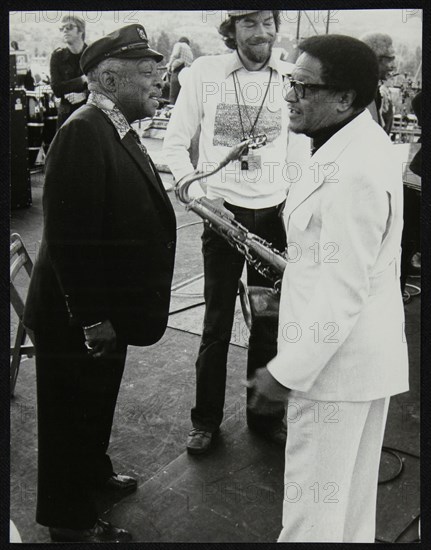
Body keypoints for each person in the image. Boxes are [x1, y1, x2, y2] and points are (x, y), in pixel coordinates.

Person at [249, 35, 409, 542]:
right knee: (347, 514)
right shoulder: (353, 142)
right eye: (288, 82)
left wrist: (285, 372)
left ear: (344, 98)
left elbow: (342, 292)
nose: (289, 96)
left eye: (302, 86)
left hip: (333, 370)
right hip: (357, 363)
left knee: (312, 519)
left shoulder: (354, 170)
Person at [23, 24, 176, 542]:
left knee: (94, 403)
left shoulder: (114, 126)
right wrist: (92, 318)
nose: (160, 81)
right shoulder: (85, 129)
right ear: (109, 76)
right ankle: (68, 520)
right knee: (70, 414)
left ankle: (93, 475)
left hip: (101, 310)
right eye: (148, 72)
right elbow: (70, 237)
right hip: (79, 314)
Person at [164, 9, 308, 454]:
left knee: (268, 323)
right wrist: (197, 195)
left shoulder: (291, 77)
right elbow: (174, 144)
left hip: (274, 219)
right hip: (222, 218)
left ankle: (264, 419)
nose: (262, 32)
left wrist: (296, 209)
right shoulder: (204, 73)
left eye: (268, 21)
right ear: (230, 30)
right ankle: (205, 421)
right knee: (216, 324)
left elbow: (301, 151)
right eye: (249, 23)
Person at [50, 15, 89, 128]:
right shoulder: (57, 56)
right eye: (62, 28)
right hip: (65, 116)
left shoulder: (92, 54)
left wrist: (84, 95)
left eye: (69, 27)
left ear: (81, 30)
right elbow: (56, 89)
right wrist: (82, 79)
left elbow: (102, 87)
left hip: (89, 115)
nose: (65, 31)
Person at [360, 32, 396, 133]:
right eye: (389, 60)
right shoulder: (364, 92)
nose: (393, 66)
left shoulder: (373, 89)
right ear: (375, 59)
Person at [166, 36, 194, 104]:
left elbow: (175, 55)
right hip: (187, 72)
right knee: (182, 96)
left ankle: (171, 110)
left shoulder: (179, 45)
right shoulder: (189, 50)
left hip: (178, 70)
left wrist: (169, 65)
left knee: (173, 95)